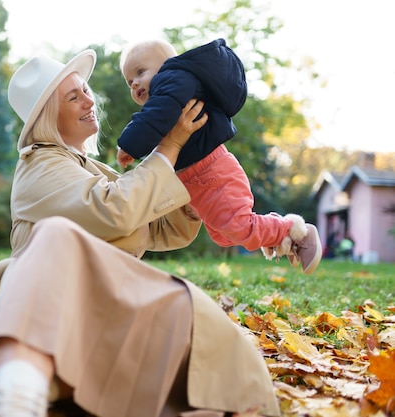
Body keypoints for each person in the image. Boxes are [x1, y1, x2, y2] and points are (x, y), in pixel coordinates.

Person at [0, 50, 281, 417]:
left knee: (193, 313)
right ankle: (14, 396)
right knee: (56, 235)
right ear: (49, 115)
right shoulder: (40, 164)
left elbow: (157, 229)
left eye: (86, 89)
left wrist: (196, 193)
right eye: (73, 96)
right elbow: (117, 210)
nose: (89, 99)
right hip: (56, 303)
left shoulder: (90, 168)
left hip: (109, 300)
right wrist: (169, 147)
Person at [117, 38, 321, 274]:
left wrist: (128, 144)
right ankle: (274, 230)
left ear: (167, 64)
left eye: (140, 72)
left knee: (237, 226)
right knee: (224, 234)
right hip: (197, 180)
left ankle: (297, 232)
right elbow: (159, 129)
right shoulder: (166, 98)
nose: (134, 84)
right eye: (129, 81)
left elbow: (154, 117)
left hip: (211, 170)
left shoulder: (172, 80)